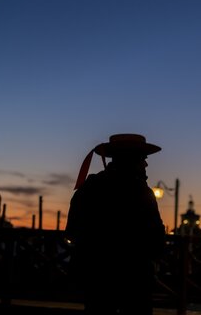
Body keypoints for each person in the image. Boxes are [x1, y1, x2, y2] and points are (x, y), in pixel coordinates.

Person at [66, 134, 166, 315]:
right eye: (143, 159)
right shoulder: (141, 192)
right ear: (132, 159)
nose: (146, 164)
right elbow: (157, 240)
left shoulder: (89, 188)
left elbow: (72, 231)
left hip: (95, 277)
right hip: (134, 278)